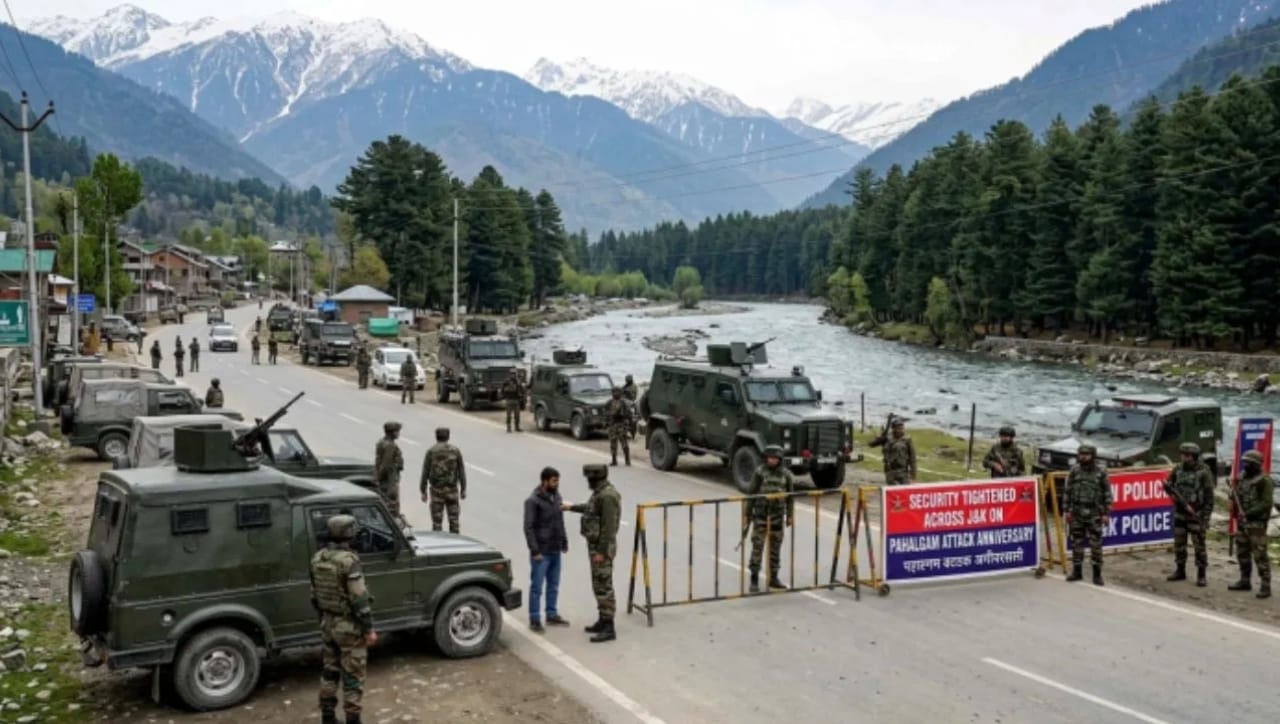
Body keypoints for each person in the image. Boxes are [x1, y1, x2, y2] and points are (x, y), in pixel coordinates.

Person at [310, 514, 377, 724]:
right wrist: (369, 630)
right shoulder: (349, 561)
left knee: (329, 672)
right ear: (348, 534)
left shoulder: (318, 558)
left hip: (328, 624)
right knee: (353, 677)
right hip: (349, 628)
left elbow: (314, 596)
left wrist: (325, 618)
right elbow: (359, 600)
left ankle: (328, 718)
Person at [563, 464, 621, 643]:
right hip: (596, 547)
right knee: (598, 585)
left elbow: (609, 529)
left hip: (601, 549)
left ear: (595, 478)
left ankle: (609, 626)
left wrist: (602, 552)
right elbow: (590, 508)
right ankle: (603, 620)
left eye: (589, 478)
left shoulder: (608, 495)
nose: (587, 481)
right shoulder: (600, 492)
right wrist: (571, 507)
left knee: (604, 586)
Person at [524, 466, 569, 632]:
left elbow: (560, 521)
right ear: (545, 481)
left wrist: (564, 541)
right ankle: (534, 619)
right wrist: (534, 551)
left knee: (554, 584)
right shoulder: (533, 501)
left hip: (555, 549)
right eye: (554, 481)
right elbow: (528, 527)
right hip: (541, 552)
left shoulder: (556, 496)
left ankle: (551, 614)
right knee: (537, 587)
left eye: (557, 481)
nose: (557, 484)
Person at [1164, 442, 1215, 587]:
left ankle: (1201, 574)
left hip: (1196, 513)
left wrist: (1205, 518)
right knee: (1179, 544)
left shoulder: (1204, 472)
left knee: (1199, 546)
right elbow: (1168, 484)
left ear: (1193, 457)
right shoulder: (1178, 469)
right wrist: (1172, 496)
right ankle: (1180, 570)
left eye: (1186, 455)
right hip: (1180, 513)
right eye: (1182, 454)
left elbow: (1209, 498)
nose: (1183, 457)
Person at [746, 445, 795, 592]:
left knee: (775, 549)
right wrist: (747, 514)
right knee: (757, 547)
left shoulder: (786, 475)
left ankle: (774, 578)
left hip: (777, 517)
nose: (772, 460)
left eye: (775, 458)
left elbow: (790, 498)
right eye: (770, 457)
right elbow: (751, 494)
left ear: (780, 459)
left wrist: (790, 515)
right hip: (761, 516)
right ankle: (754, 579)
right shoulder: (759, 472)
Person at [1228, 449, 1273, 598]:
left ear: (1256, 464)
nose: (1245, 465)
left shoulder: (1264, 480)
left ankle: (1265, 585)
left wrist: (1248, 513)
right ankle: (1244, 580)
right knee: (1242, 553)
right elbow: (1237, 493)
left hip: (1257, 525)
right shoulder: (1242, 477)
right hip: (1243, 523)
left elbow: (1266, 503)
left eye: (1248, 463)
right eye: (1245, 462)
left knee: (1260, 555)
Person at [1064, 443, 1111, 585]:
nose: (1083, 457)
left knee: (1095, 545)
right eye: (1081, 455)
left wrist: (1106, 513)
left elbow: (1107, 493)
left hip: (1094, 513)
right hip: (1077, 512)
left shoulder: (1101, 472)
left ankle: (1097, 575)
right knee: (1077, 542)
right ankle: (1077, 572)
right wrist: (1066, 510)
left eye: (1086, 455)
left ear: (1093, 456)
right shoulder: (1074, 470)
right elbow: (1068, 491)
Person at [421, 427, 466, 533]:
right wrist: (463, 489)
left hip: (436, 491)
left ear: (436, 437)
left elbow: (425, 472)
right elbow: (461, 471)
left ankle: (438, 544)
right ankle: (455, 543)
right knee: (454, 521)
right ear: (448, 436)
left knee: (437, 523)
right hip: (452, 490)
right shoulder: (455, 451)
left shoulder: (431, 451)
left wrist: (423, 491)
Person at [869, 417, 916, 486]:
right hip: (890, 472)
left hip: (904, 471)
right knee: (894, 492)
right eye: (898, 428)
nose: (900, 430)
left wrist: (913, 473)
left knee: (904, 492)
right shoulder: (887, 439)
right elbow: (871, 444)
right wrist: (880, 438)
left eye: (902, 428)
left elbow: (912, 457)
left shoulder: (907, 440)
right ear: (893, 429)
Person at [374, 422, 404, 520]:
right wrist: (379, 478)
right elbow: (385, 464)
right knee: (392, 506)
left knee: (386, 503)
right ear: (392, 432)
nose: (399, 433)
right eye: (397, 431)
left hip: (385, 480)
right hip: (389, 480)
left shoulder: (382, 442)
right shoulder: (390, 446)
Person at [605, 387, 633, 466]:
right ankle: (614, 460)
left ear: (620, 393)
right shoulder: (609, 403)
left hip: (621, 424)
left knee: (624, 443)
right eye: (614, 392)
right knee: (613, 443)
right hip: (612, 425)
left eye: (618, 392)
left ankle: (627, 460)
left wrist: (630, 424)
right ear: (612, 393)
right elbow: (605, 413)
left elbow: (629, 414)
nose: (616, 393)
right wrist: (606, 422)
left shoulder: (624, 403)